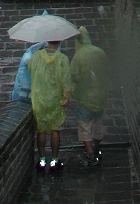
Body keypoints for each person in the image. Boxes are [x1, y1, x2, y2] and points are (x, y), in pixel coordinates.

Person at [28, 40, 71, 172]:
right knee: (55, 129)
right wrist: (66, 96)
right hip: (55, 98)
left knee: (41, 130)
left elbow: (30, 68)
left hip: (39, 97)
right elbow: (66, 79)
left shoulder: (36, 56)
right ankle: (54, 160)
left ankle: (41, 160)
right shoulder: (62, 59)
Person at [70, 26, 110, 166]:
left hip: (84, 96)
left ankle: (90, 153)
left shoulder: (79, 56)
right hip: (100, 95)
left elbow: (73, 76)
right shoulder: (100, 52)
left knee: (85, 124)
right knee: (98, 122)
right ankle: (97, 147)